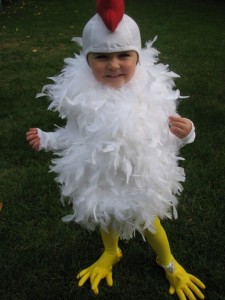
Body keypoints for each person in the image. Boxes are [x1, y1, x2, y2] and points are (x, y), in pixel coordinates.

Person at [26, 0, 206, 299]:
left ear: (138, 58)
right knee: (105, 214)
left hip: (139, 178)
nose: (113, 64)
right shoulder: (83, 98)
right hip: (100, 175)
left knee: (149, 223)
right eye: (101, 57)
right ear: (87, 60)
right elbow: (75, 135)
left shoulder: (152, 95)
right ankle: (111, 251)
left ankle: (168, 261)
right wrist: (47, 139)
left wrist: (188, 133)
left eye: (124, 55)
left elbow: (169, 135)